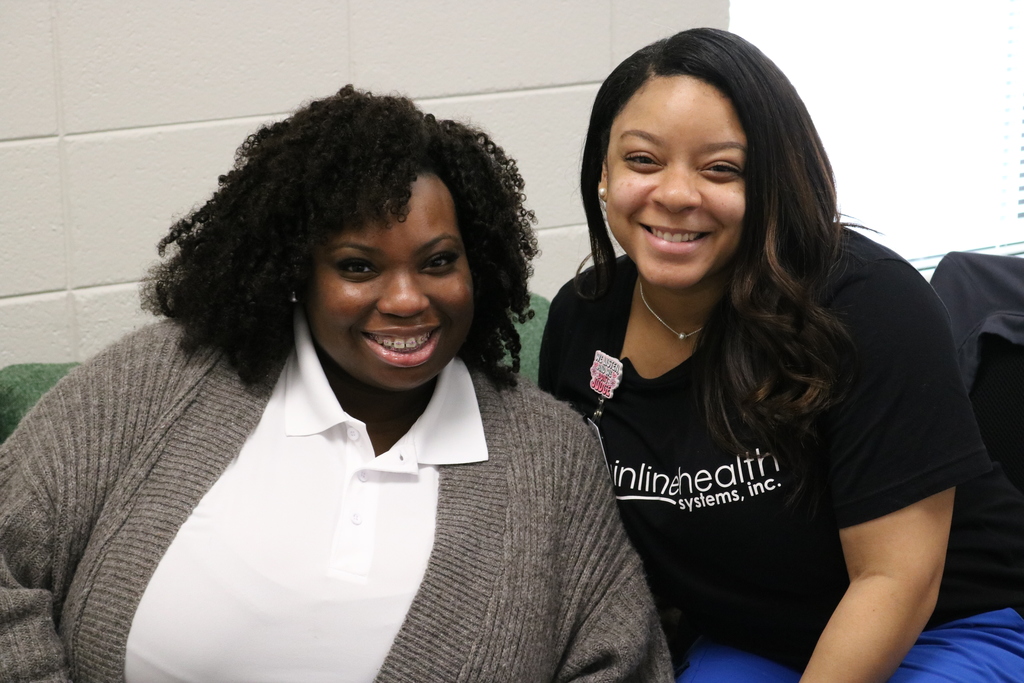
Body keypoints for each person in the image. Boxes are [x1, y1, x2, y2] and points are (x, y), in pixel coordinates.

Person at [0, 86, 672, 682]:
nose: (407, 299)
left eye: (438, 261)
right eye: (358, 266)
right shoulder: (158, 378)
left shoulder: (551, 458)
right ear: (298, 273)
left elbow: (619, 659)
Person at [539, 27, 1024, 683]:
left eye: (721, 169)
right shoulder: (582, 318)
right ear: (604, 172)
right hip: (759, 640)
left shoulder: (864, 303)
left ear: (773, 180)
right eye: (644, 161)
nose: (676, 194)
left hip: (949, 624)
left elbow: (897, 578)